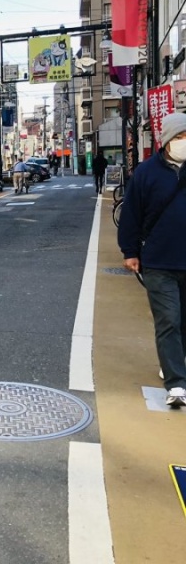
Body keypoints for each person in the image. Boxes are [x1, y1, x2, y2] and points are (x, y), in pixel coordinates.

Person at [118, 112, 186, 408]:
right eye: (180, 137)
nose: (184, 142)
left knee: (182, 321)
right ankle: (177, 384)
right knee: (169, 320)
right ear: (167, 141)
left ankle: (174, 364)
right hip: (158, 260)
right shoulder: (146, 173)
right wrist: (130, 252)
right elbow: (131, 215)